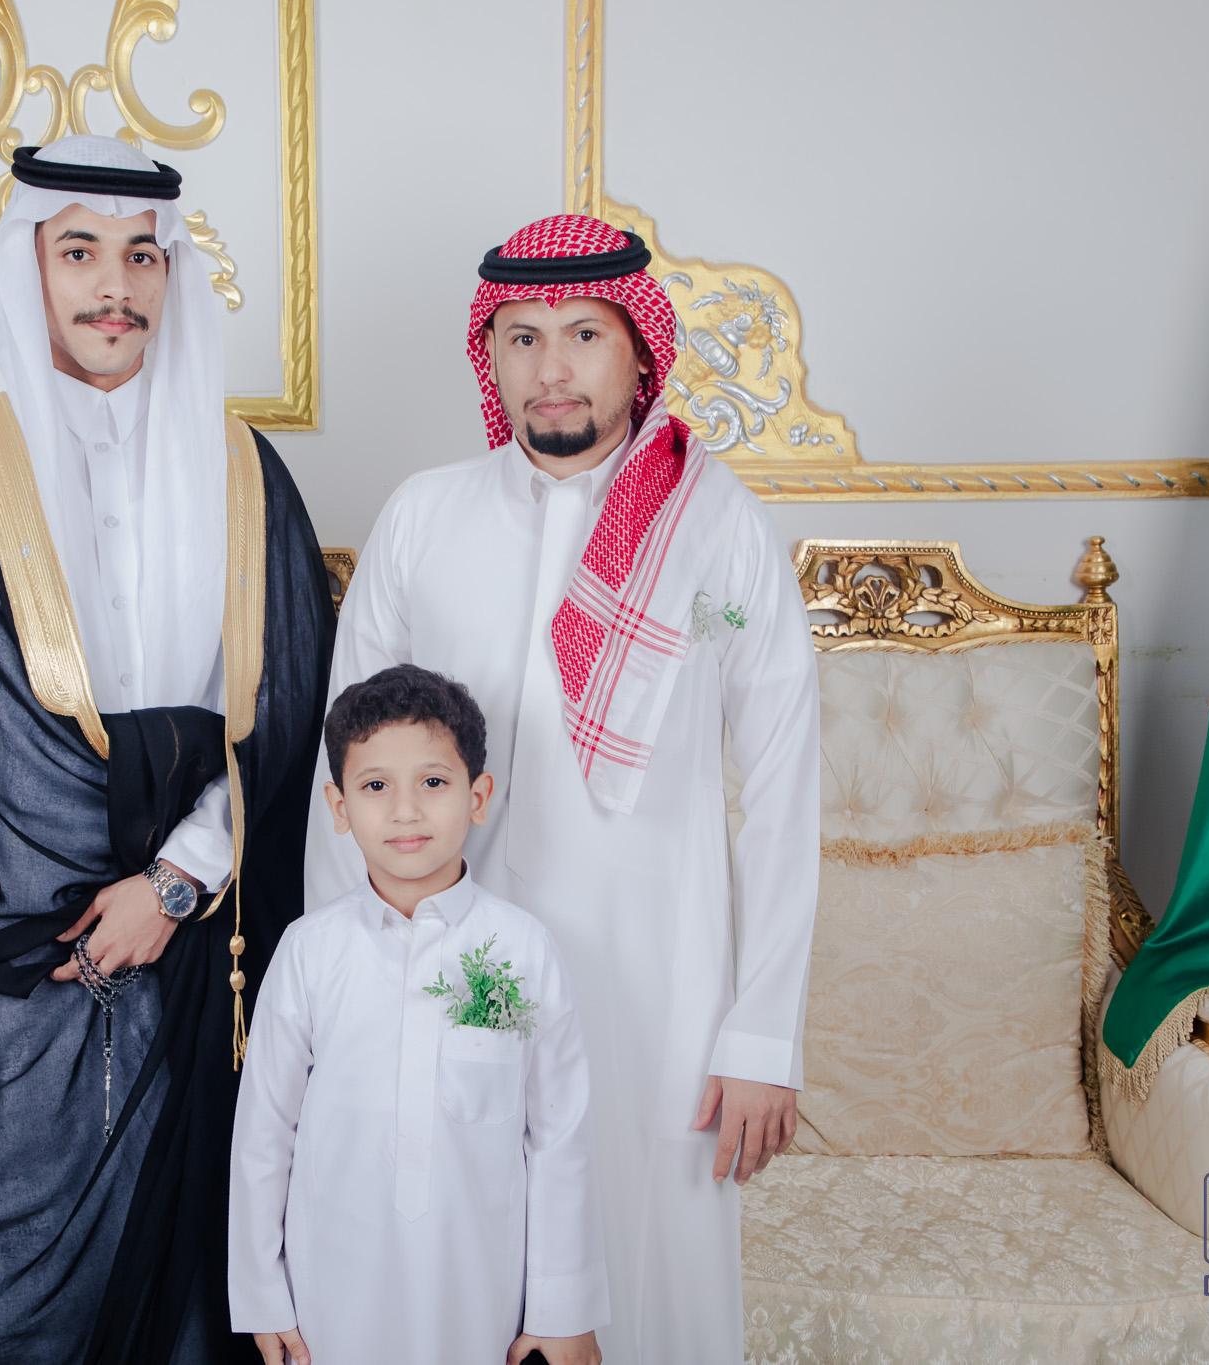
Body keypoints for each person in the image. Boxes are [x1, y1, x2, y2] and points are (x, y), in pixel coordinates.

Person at [0, 134, 336, 1365]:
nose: (114, 286)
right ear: (28, 266)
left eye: (141, 256)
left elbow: (288, 715)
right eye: (79, 253)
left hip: (197, 958)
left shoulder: (244, 475)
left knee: (192, 1301)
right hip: (7, 978)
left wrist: (172, 884)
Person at [306, 215, 820, 1363]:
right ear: (487, 357)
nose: (551, 367)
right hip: (446, 975)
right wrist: (342, 993)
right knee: (455, 1272)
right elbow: (339, 779)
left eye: (584, 334)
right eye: (522, 337)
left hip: (660, 985)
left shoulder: (715, 527)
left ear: (638, 351)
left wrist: (760, 1034)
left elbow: (784, 787)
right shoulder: (422, 516)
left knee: (651, 1276)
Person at [232, 665, 607, 1365]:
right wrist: (261, 1295)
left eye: (433, 782)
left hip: (478, 1287)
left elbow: (560, 1138)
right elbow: (264, 1133)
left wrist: (562, 1311)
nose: (405, 811)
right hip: (330, 1293)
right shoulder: (310, 951)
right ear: (339, 806)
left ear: (478, 796)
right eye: (376, 786)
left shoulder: (523, 949)